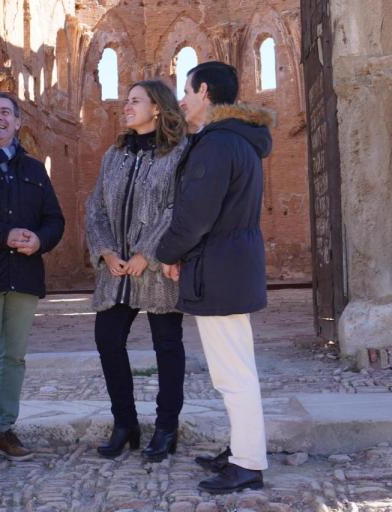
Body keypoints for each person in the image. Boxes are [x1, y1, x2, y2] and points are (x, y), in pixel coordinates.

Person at [156, 61, 273, 494]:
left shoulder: (218, 144)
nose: (182, 100)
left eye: (186, 91)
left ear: (204, 91)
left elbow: (196, 214)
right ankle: (242, 449)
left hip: (219, 267)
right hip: (229, 263)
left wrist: (168, 253)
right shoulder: (238, 141)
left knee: (233, 373)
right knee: (235, 367)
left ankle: (247, 464)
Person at [0, 92, 65, 475]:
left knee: (14, 357)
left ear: (18, 122)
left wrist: (40, 240)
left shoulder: (35, 170)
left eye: (5, 112)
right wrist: (3, 236)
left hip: (24, 275)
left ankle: (5, 429)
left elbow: (55, 220)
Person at [85, 79, 188, 462]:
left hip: (157, 268)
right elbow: (95, 206)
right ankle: (125, 424)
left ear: (157, 108)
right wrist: (106, 251)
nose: (126, 106)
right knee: (108, 341)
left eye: (135, 101)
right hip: (116, 270)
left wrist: (149, 252)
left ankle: (166, 428)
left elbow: (177, 208)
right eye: (126, 101)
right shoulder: (115, 154)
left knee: (167, 346)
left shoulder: (178, 152)